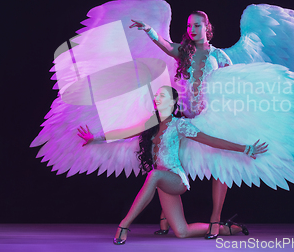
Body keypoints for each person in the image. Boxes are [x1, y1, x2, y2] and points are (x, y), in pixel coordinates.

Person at [77, 86, 268, 245]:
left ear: (172, 102)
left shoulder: (180, 125)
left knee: (153, 175)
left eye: (162, 95)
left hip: (176, 180)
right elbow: (125, 132)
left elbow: (211, 141)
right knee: (182, 232)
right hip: (162, 182)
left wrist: (245, 148)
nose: (157, 98)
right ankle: (228, 229)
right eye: (157, 95)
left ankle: (124, 225)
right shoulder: (151, 124)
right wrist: (96, 138)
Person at [130, 11, 233, 239]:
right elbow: (166, 46)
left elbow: (231, 87)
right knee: (170, 160)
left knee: (219, 164)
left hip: (211, 117)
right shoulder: (184, 51)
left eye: (197, 25)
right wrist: (149, 30)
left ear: (207, 27)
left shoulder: (220, 56)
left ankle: (215, 220)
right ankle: (166, 216)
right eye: (189, 25)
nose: (192, 29)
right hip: (186, 116)